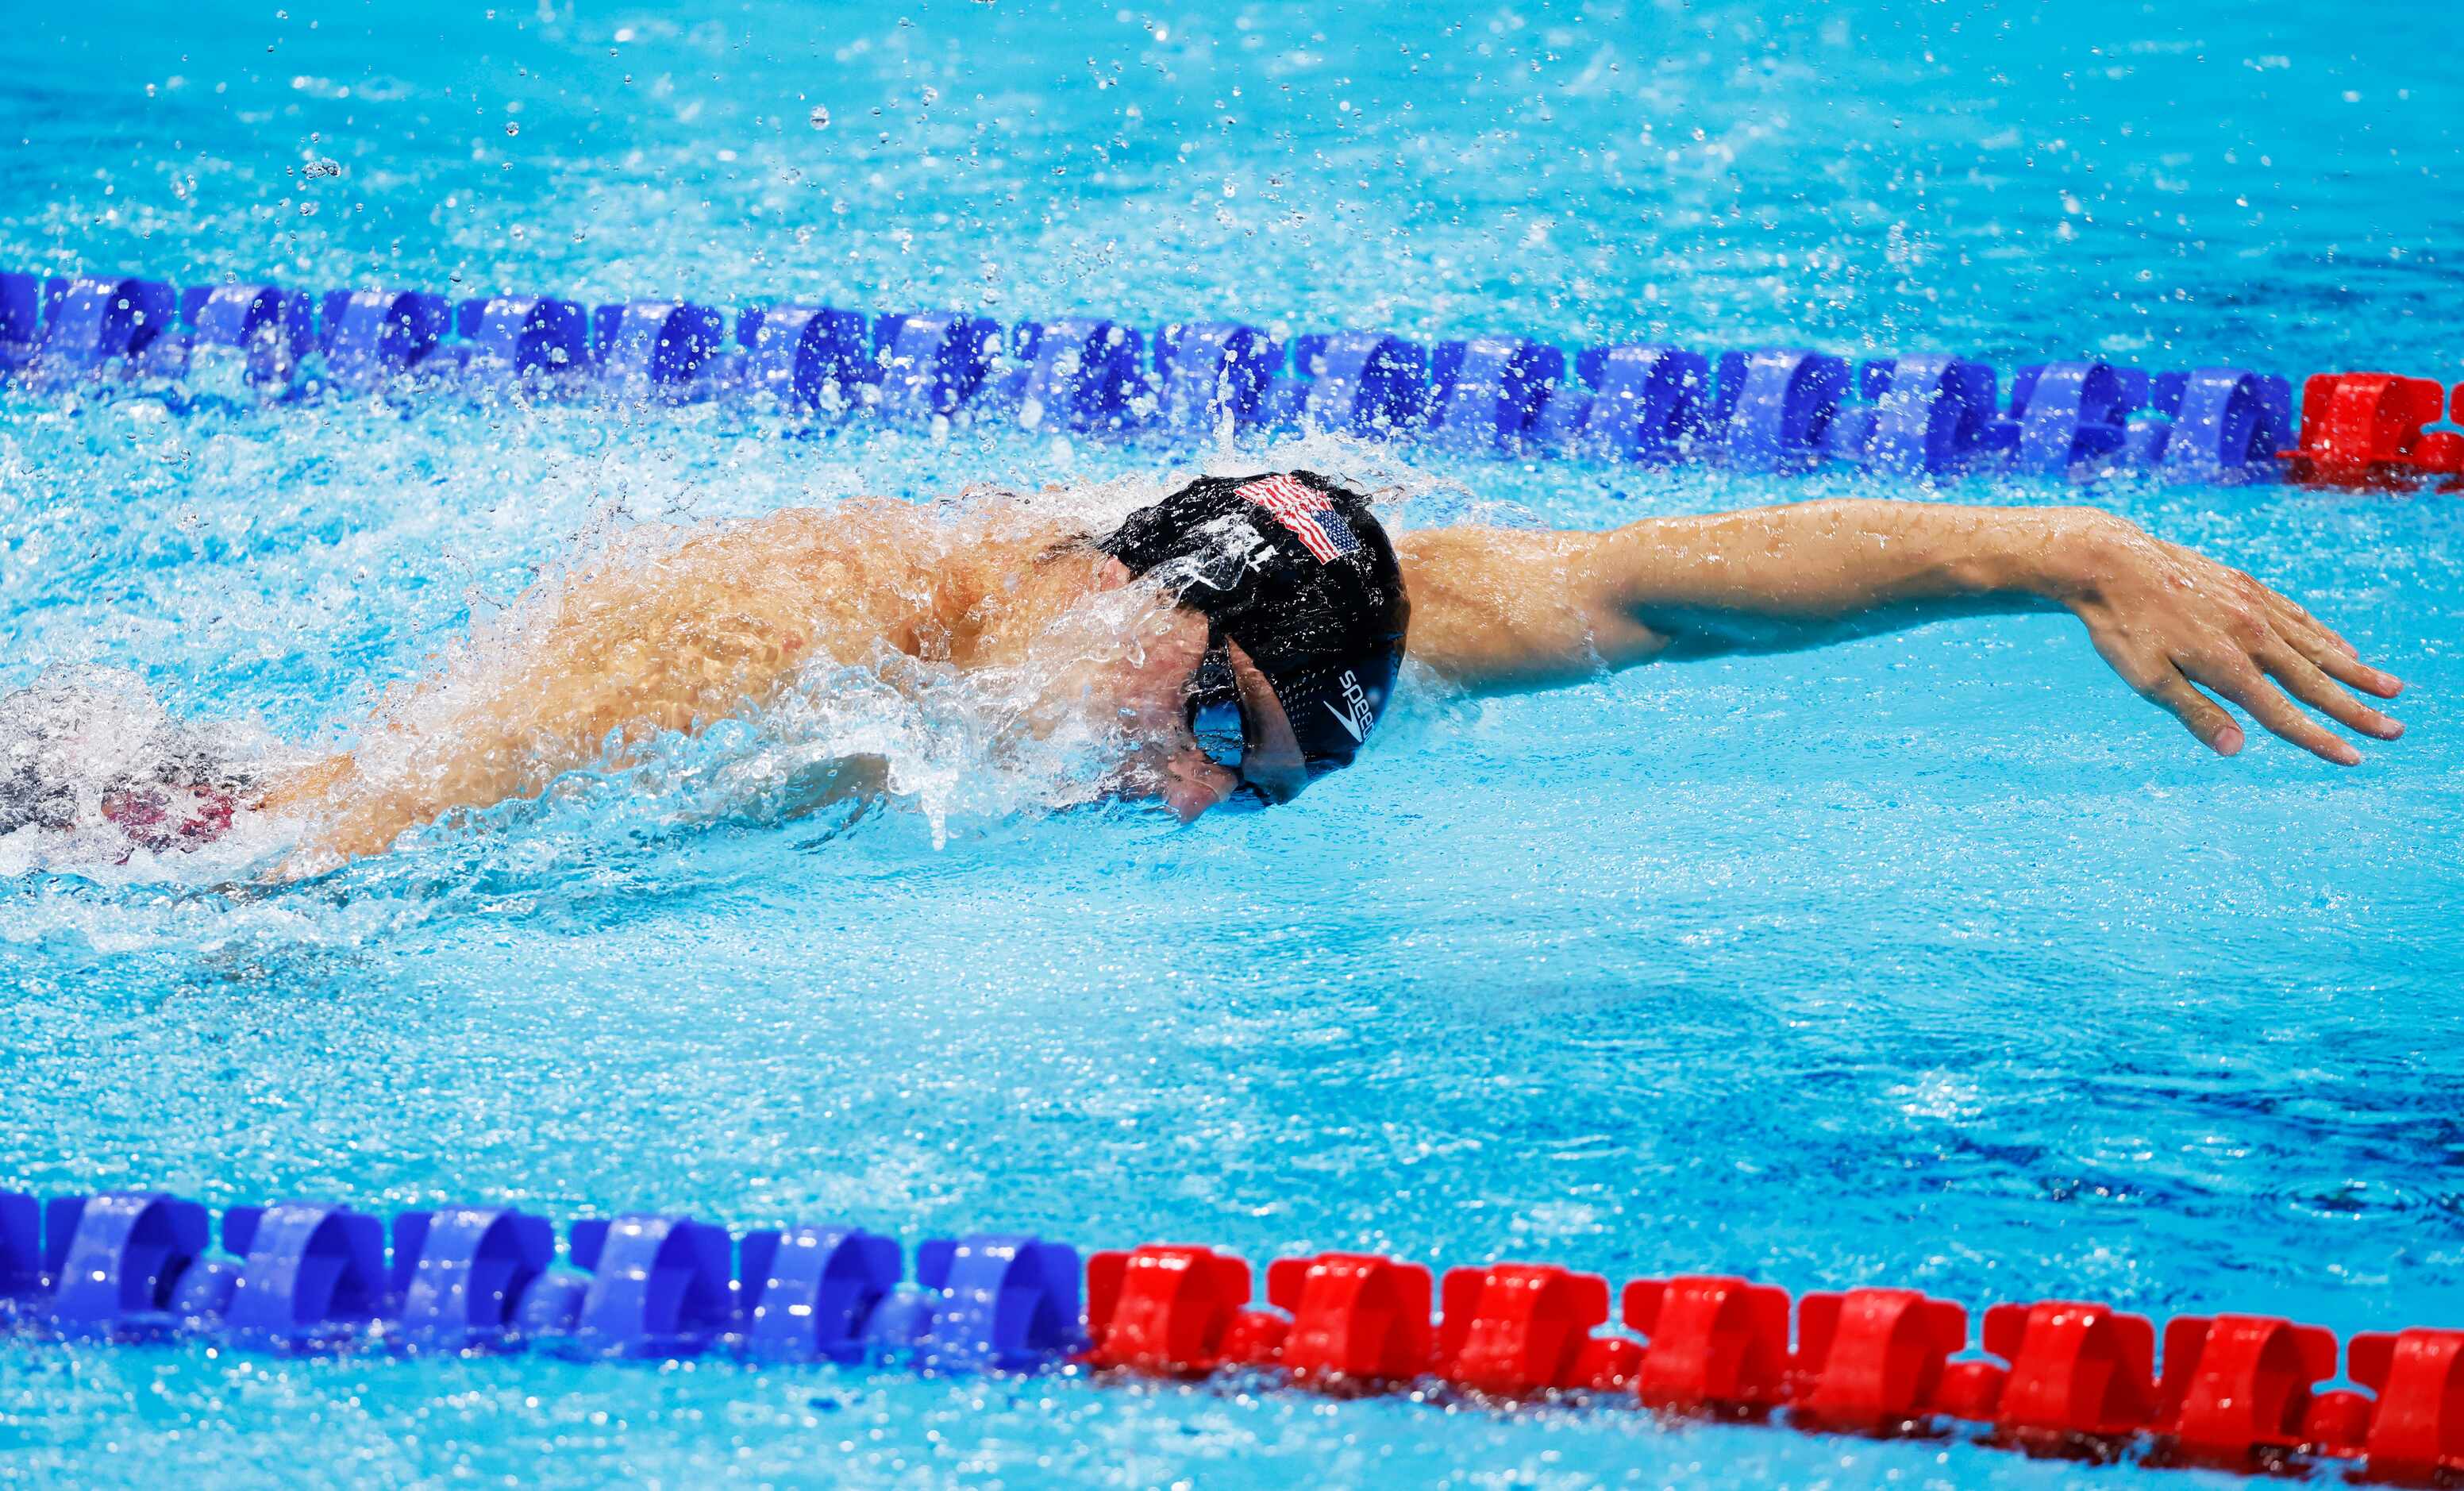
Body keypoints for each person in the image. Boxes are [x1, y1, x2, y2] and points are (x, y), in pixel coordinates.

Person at [3, 468, 2405, 873]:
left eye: (1246, 788)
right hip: (131, 809)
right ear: (1169, 625)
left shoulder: (1302, 603)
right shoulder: (760, 636)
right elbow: (307, 875)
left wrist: (2055, 549)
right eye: (1215, 745)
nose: (1179, 805)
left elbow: (1643, 592)